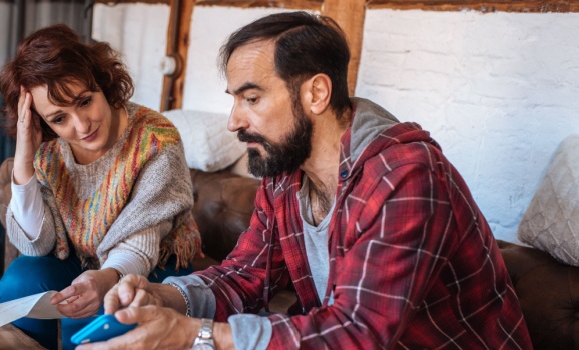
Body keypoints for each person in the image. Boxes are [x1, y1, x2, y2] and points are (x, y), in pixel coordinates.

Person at [83, 12, 533, 350]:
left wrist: (194, 336)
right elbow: (244, 277)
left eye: (252, 98)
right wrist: (162, 298)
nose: (234, 122)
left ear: (315, 94)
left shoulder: (404, 177)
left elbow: (359, 333)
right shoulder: (283, 174)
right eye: (235, 101)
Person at [0, 24, 201, 350]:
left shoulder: (155, 139)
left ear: (102, 83)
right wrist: (24, 161)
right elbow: (37, 245)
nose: (81, 125)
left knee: (99, 315)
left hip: (155, 263)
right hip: (81, 259)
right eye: (59, 118)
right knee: (20, 283)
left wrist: (108, 278)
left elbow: (140, 244)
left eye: (85, 101)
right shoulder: (47, 150)